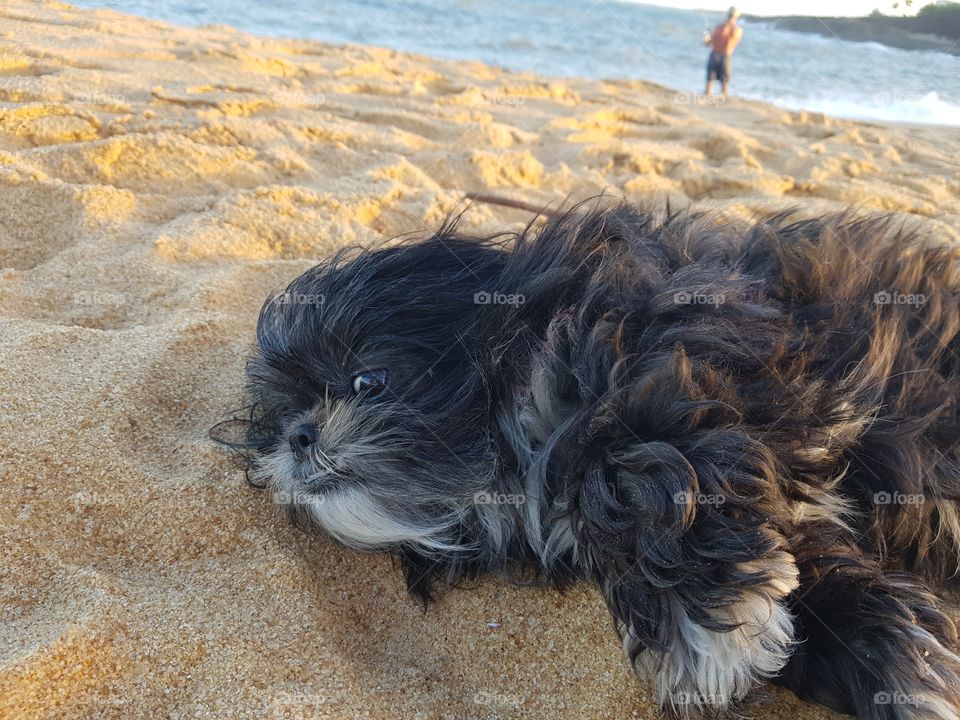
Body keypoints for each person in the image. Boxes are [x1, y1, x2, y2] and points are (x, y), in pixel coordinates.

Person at [703, 6, 743, 97]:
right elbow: (734, 43)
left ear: (727, 14)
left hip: (714, 55)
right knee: (724, 85)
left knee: (709, 84)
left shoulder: (718, 27)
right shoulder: (738, 30)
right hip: (725, 56)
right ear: (737, 16)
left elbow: (707, 43)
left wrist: (706, 35)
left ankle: (707, 102)